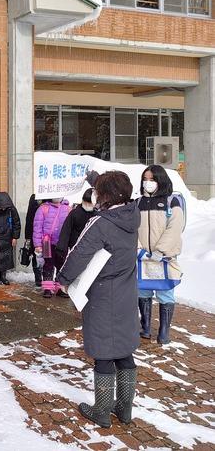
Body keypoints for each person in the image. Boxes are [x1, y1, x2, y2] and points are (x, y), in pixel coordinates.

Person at [57, 171, 140, 428]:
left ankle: (102, 410)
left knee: (104, 351)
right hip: (127, 291)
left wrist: (64, 279)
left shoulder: (101, 223)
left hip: (103, 294)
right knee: (124, 351)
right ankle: (124, 408)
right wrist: (95, 178)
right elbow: (113, 188)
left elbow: (79, 253)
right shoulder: (131, 215)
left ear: (105, 195)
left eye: (97, 191)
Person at [137, 165, 184, 344]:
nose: (148, 183)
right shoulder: (138, 203)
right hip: (143, 259)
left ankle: (164, 331)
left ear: (160, 180)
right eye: (145, 179)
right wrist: (139, 250)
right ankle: (145, 327)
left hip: (164, 258)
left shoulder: (172, 201)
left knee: (165, 293)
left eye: (152, 179)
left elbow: (175, 228)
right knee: (143, 292)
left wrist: (160, 250)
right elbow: (132, 228)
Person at [33, 197, 71, 297]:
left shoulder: (68, 209)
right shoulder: (43, 208)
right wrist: (37, 244)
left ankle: (60, 288)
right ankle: (48, 288)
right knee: (48, 265)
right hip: (47, 242)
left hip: (62, 243)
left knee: (62, 265)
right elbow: (37, 228)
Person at [57, 189, 96, 254]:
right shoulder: (74, 213)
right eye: (85, 202)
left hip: (89, 247)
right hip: (74, 246)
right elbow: (66, 230)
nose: (87, 205)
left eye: (89, 203)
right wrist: (61, 247)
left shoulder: (96, 215)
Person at [24, 194, 43, 287]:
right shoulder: (35, 197)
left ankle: (46, 278)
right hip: (34, 233)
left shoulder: (51, 196)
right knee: (36, 255)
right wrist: (27, 236)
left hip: (47, 234)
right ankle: (38, 278)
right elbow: (29, 217)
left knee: (47, 258)